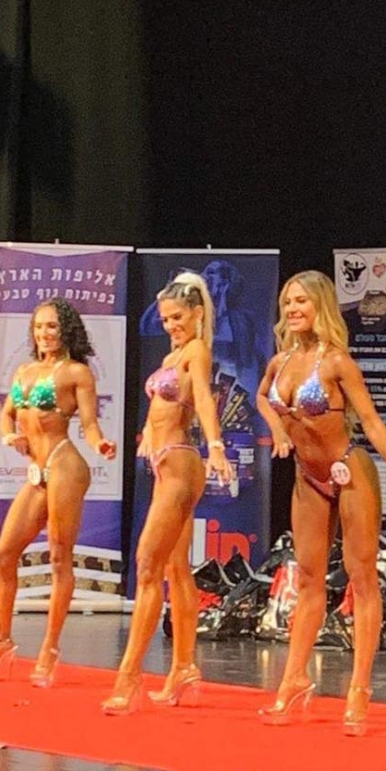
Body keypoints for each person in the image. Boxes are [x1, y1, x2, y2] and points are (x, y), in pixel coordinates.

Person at [256, 270, 386, 734]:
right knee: (308, 578)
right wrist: (277, 431)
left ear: (321, 306)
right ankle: (294, 679)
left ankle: (359, 689)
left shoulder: (337, 363)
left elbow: (370, 421)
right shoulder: (280, 362)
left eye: (302, 301)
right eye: (288, 302)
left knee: (362, 578)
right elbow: (261, 397)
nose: (293, 309)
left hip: (350, 471)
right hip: (308, 478)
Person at [102, 272, 232, 714]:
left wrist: (216, 446)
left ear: (197, 313)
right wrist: (146, 433)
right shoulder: (173, 354)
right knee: (176, 570)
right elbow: (163, 404)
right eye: (165, 319)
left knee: (147, 565)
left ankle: (129, 677)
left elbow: (204, 399)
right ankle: (184, 668)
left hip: (180, 461)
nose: (171, 325)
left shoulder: (196, 351)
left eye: (177, 317)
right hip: (164, 462)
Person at [0, 298, 117, 683]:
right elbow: (6, 415)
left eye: (52, 326)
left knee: (58, 556)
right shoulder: (24, 371)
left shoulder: (77, 373)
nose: (44, 333)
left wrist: (100, 443)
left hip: (65, 465)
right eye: (39, 326)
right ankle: (1, 642)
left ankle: (50, 650)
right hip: (36, 471)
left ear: (66, 329)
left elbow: (89, 423)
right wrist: (9, 437)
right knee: (4, 555)